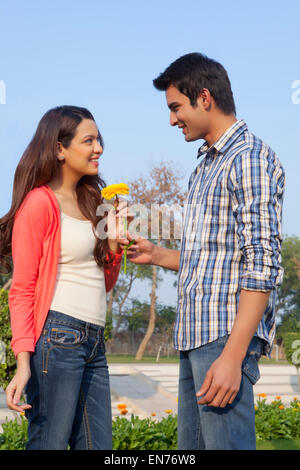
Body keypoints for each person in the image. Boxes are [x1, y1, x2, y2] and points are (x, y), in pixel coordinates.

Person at [125, 53, 285, 450]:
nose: (171, 120)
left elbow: (261, 263)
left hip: (224, 339)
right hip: (194, 335)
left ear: (205, 97)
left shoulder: (247, 159)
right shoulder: (205, 167)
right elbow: (218, 259)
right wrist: (159, 255)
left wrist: (232, 357)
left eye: (176, 107)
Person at [0, 105, 130, 450]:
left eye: (98, 139)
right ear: (59, 148)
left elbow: (102, 282)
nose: (98, 148)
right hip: (57, 338)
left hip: (93, 341)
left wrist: (115, 244)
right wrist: (23, 362)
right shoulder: (38, 204)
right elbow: (23, 289)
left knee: (98, 446)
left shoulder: (94, 203)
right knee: (49, 443)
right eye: (89, 140)